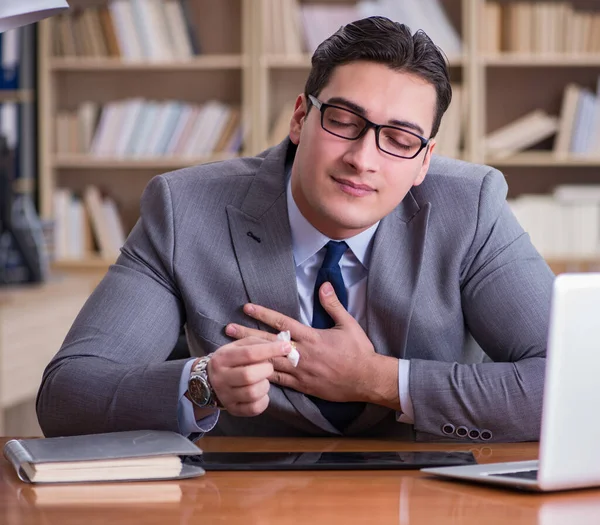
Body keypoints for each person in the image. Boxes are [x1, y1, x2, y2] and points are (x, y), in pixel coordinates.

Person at [36, 16, 553, 442]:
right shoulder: (184, 209)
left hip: (428, 501)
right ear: (301, 118)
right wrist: (204, 382)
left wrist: (378, 380)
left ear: (424, 161)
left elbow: (577, 384)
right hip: (241, 503)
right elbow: (68, 396)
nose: (362, 159)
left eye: (398, 138)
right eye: (345, 122)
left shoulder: (471, 207)